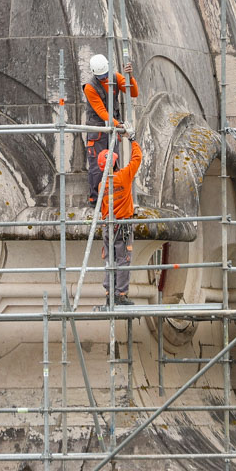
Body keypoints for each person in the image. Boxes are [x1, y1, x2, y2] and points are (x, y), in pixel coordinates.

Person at [83, 53, 139, 204]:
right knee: (97, 167)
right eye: (101, 77)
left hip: (113, 128)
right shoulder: (90, 87)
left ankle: (113, 200)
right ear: (94, 74)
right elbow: (101, 111)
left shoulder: (115, 77)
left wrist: (129, 77)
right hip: (98, 130)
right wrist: (118, 125)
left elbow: (133, 92)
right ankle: (97, 201)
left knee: (113, 164)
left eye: (105, 75)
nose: (104, 78)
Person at [97, 130, 142, 306]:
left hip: (108, 225)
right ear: (115, 162)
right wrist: (133, 140)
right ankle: (121, 295)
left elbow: (103, 209)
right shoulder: (123, 176)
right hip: (122, 225)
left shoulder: (102, 184)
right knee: (123, 260)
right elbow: (137, 158)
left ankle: (109, 293)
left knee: (110, 260)